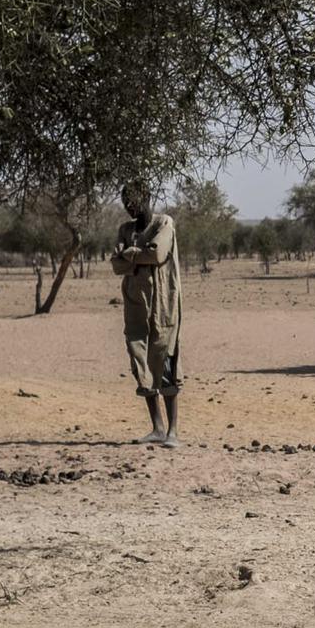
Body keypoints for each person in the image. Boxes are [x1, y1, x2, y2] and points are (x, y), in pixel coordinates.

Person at [110, 182, 182, 447]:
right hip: (135, 304)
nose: (128, 206)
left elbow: (157, 254)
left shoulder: (164, 223)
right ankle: (157, 427)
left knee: (164, 360)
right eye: (125, 201)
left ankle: (173, 431)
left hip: (163, 305)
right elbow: (116, 266)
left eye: (132, 200)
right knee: (140, 362)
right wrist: (136, 256)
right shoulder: (125, 229)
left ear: (146, 198)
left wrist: (129, 254)